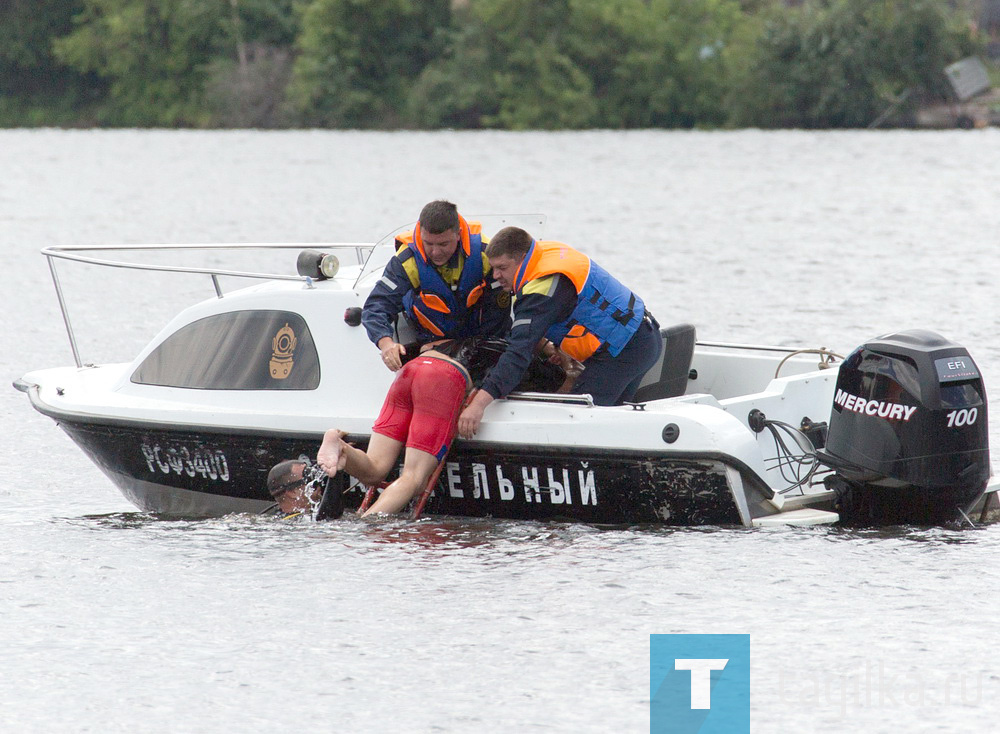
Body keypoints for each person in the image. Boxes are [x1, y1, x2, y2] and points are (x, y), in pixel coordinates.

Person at [316, 336, 564, 516]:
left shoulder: (466, 336)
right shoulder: (517, 353)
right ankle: (365, 526)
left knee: (376, 469)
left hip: (409, 373)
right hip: (442, 380)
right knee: (413, 478)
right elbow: (556, 383)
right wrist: (564, 367)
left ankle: (341, 447)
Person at [458, 226, 664, 438]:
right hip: (643, 337)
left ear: (521, 258)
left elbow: (518, 353)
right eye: (493, 268)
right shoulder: (544, 254)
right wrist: (553, 347)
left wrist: (479, 404)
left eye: (502, 267)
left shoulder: (541, 288)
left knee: (575, 420)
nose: (496, 275)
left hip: (624, 352)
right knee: (612, 421)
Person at [362, 200, 511, 372]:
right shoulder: (406, 261)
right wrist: (386, 343)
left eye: (443, 244)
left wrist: (460, 347)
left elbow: (499, 317)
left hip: (481, 340)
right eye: (428, 243)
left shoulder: (485, 254)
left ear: (458, 234)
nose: (435, 252)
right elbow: (375, 308)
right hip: (428, 343)